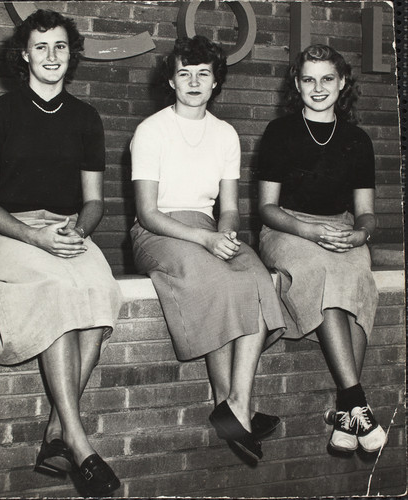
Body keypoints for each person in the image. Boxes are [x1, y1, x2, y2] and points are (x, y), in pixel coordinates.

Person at [0, 10, 122, 496]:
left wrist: (78, 229)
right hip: (8, 234)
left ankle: (57, 430)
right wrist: (36, 237)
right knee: (58, 294)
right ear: (25, 55)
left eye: (60, 46)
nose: (51, 56)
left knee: (100, 300)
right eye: (41, 47)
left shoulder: (86, 117)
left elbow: (95, 201)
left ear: (70, 54)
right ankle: (78, 443)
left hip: (66, 229)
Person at [130, 35, 285, 461]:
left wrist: (228, 234)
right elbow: (146, 213)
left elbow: (229, 208)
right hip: (159, 232)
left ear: (216, 82)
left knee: (255, 277)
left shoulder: (225, 134)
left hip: (209, 228)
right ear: (172, 81)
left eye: (204, 73)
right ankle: (236, 407)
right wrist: (205, 239)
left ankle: (234, 402)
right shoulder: (151, 130)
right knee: (216, 281)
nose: (194, 82)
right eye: (185, 73)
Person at [257, 44, 387, 454]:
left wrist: (359, 235)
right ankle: (356, 401)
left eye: (327, 78)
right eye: (309, 79)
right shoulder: (280, 132)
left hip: (340, 229)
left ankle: (349, 414)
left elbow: (366, 215)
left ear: (342, 82)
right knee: (323, 269)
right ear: (297, 84)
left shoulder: (358, 139)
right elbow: (266, 208)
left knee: (355, 273)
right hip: (287, 229)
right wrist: (310, 232)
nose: (318, 87)